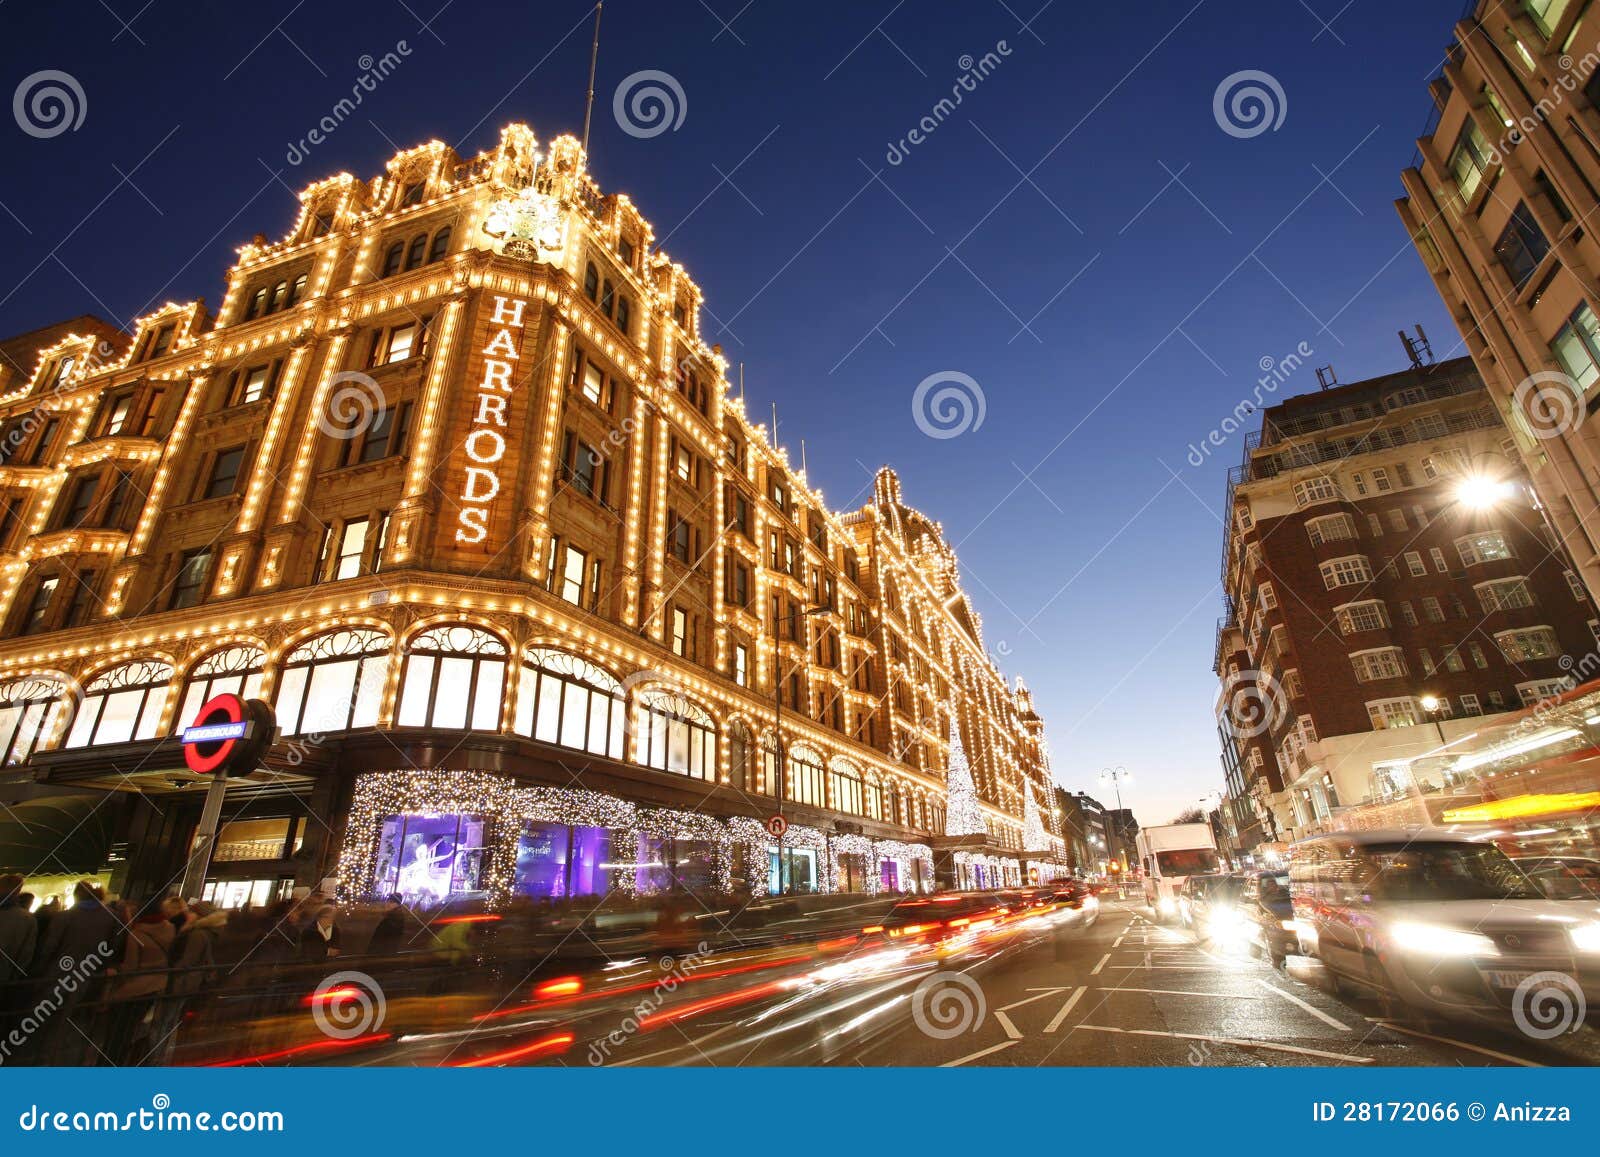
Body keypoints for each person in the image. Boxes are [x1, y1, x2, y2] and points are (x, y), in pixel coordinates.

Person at [107, 901, 176, 1065]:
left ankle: (115, 1060)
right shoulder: (170, 928)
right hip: (161, 983)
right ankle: (144, 1060)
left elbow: (131, 966)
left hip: (139, 987)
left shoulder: (136, 934)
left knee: (121, 1030)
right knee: (147, 1027)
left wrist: (115, 971)